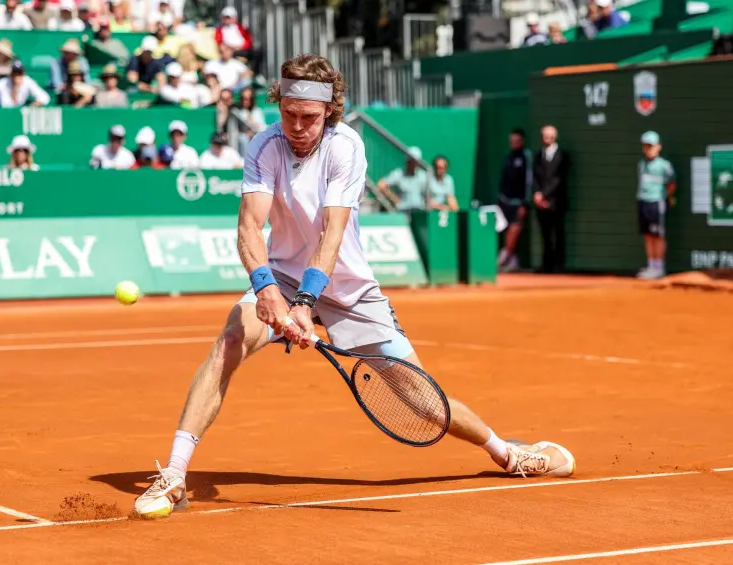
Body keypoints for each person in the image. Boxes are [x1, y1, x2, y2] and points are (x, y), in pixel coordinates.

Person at [133, 54, 576, 518]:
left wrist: (306, 303)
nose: (297, 126)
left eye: (308, 117)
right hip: (282, 276)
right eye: (288, 113)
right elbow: (249, 228)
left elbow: (331, 233)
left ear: (330, 111)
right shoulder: (264, 147)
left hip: (348, 289)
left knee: (425, 405)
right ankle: (176, 476)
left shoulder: (346, 147)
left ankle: (507, 454)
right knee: (229, 341)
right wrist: (266, 290)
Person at [636, 131, 675, 280]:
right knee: (647, 235)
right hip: (642, 201)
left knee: (657, 236)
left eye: (651, 146)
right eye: (645, 146)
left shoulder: (664, 165)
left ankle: (659, 268)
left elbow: (672, 183)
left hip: (656, 202)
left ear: (658, 147)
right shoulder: (641, 164)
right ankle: (651, 266)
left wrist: (666, 197)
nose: (648, 149)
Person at [532, 125, 570, 274]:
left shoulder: (563, 156)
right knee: (545, 235)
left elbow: (559, 180)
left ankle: (559, 265)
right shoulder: (538, 155)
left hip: (557, 202)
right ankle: (546, 265)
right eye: (544, 135)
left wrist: (545, 195)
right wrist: (537, 194)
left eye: (549, 136)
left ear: (555, 137)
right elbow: (534, 177)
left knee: (558, 234)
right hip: (540, 202)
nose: (546, 138)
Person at [497, 129, 533, 272]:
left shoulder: (526, 156)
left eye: (517, 141)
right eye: (512, 141)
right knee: (507, 230)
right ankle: (512, 261)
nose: (514, 143)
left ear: (522, 141)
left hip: (519, 202)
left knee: (515, 229)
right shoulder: (508, 157)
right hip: (505, 201)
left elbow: (529, 182)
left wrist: (525, 203)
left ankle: (505, 256)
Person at [378, 146, 428, 213]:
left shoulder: (424, 176)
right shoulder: (398, 174)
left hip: (419, 211)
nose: (414, 164)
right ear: (407, 160)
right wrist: (395, 200)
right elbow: (381, 184)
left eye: (416, 161)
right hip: (402, 211)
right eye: (412, 161)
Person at [233, 86, 266, 156]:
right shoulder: (236, 110)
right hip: (239, 140)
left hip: (255, 139)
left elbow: (262, 129)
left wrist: (252, 124)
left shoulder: (257, 111)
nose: (246, 101)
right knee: (243, 138)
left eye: (249, 98)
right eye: (243, 98)